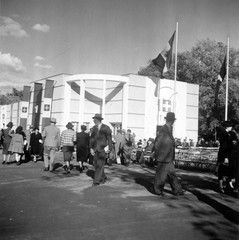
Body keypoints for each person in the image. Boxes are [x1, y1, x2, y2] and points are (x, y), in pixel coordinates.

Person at [153, 112, 186, 196]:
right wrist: (156, 154)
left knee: (172, 174)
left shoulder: (168, 129)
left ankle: (177, 190)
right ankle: (158, 190)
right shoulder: (164, 129)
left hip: (168, 156)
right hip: (163, 156)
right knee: (161, 174)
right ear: (172, 121)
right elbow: (157, 143)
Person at [90, 113, 112, 186]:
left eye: (94, 119)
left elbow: (109, 139)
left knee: (100, 165)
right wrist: (91, 148)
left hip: (103, 149)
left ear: (98, 120)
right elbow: (92, 139)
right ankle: (103, 177)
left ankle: (96, 181)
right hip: (95, 149)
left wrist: (109, 148)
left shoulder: (106, 128)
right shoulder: (94, 128)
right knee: (96, 165)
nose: (93, 120)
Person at [216, 121, 234, 193]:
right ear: (227, 127)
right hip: (224, 154)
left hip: (226, 154)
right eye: (230, 126)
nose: (231, 127)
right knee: (222, 170)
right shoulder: (224, 134)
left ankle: (226, 185)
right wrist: (226, 157)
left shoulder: (227, 134)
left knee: (226, 170)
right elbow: (224, 146)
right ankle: (221, 186)